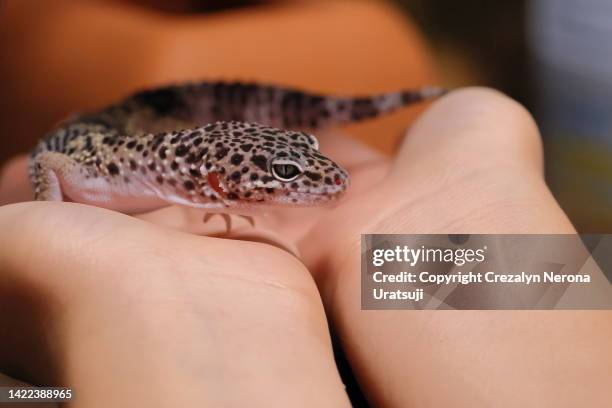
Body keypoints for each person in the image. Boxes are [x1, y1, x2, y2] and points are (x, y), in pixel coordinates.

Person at [0, 88, 609, 407]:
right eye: (290, 174)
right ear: (215, 183)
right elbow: (50, 162)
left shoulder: (174, 182)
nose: (330, 180)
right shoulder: (113, 173)